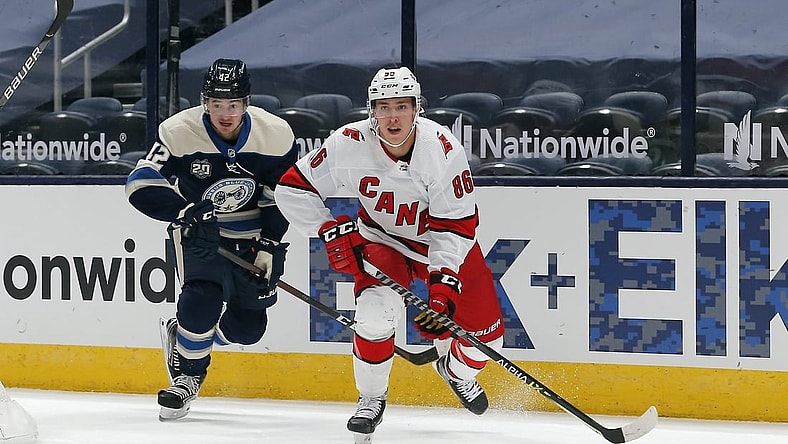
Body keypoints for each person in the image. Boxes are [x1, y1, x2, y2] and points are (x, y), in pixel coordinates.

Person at [273, 67, 505, 440]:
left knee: (486, 340)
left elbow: (455, 228)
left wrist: (442, 291)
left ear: (417, 109)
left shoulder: (442, 151)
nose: (392, 116)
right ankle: (371, 398)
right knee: (375, 313)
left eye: (401, 106)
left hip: (438, 244)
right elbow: (292, 188)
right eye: (383, 107)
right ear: (371, 111)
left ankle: (455, 371)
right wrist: (328, 230)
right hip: (381, 241)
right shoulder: (348, 142)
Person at [125, 58, 298, 421]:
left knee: (248, 329)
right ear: (205, 101)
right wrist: (184, 211)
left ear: (246, 102)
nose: (225, 113)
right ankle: (188, 375)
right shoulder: (178, 131)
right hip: (202, 235)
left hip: (254, 237)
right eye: (217, 104)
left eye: (233, 105)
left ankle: (189, 341)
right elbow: (139, 182)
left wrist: (269, 244)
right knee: (200, 300)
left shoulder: (277, 134)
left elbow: (283, 196)